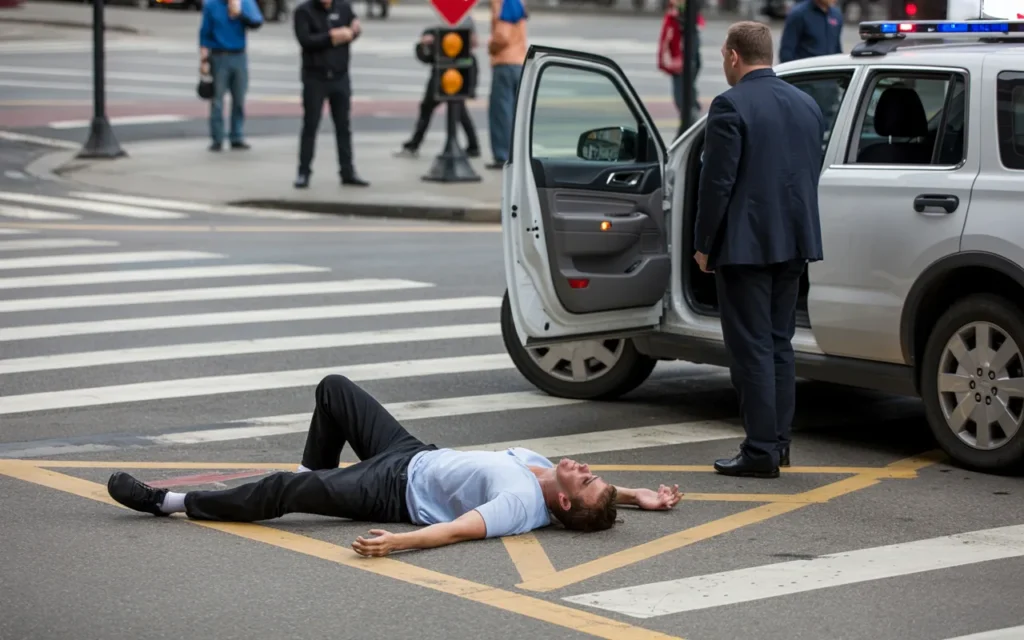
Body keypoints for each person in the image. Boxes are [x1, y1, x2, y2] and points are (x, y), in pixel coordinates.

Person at [106, 375, 682, 556]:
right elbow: (599, 497)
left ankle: (172, 502)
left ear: (561, 501)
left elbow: (457, 530)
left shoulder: (518, 505)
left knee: (281, 490)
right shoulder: (545, 476)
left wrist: (397, 545)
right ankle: (316, 481)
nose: (582, 467)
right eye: (591, 472)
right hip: (412, 451)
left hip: (391, 490)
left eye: (584, 478)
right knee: (334, 390)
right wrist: (639, 497)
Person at [692, 21, 824, 479]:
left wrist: (704, 244)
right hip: (794, 243)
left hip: (746, 247)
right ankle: (779, 443)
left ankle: (760, 451)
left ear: (733, 56)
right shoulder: (807, 104)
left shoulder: (730, 105)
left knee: (749, 350)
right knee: (778, 344)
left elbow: (717, 184)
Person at [292, 0, 369, 188]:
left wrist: (355, 31)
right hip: (315, 77)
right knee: (311, 125)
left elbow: (352, 30)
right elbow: (306, 40)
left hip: (340, 75)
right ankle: (304, 171)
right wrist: (332, 37)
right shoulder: (304, 11)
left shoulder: (343, 8)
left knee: (343, 126)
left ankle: (347, 171)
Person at [394, 16, 481, 159]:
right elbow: (426, 54)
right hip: (443, 70)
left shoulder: (464, 19)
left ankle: (415, 144)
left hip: (457, 70)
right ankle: (473, 146)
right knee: (436, 109)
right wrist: (425, 43)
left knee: (456, 110)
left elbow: (474, 42)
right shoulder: (439, 28)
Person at [198, 0, 264, 152]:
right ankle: (217, 138)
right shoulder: (211, 5)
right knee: (217, 100)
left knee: (239, 99)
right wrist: (204, 60)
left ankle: (237, 136)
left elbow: (257, 22)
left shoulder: (245, 2)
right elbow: (204, 33)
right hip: (219, 55)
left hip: (239, 54)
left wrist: (240, 14)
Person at [485, 0, 528, 170]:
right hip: (519, 61)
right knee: (515, 113)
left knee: (500, 112)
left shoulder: (501, 1)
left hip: (505, 62)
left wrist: (491, 46)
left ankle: (502, 155)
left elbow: (502, 34)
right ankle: (516, 153)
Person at [656, 0, 706, 138]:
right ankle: (688, 131)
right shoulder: (675, 17)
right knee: (685, 101)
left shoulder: (682, 18)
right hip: (682, 54)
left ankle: (691, 132)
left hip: (684, 54)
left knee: (684, 102)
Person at [778, 0, 843, 64]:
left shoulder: (837, 15)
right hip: (806, 71)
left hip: (830, 71)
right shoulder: (798, 14)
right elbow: (786, 53)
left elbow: (837, 48)